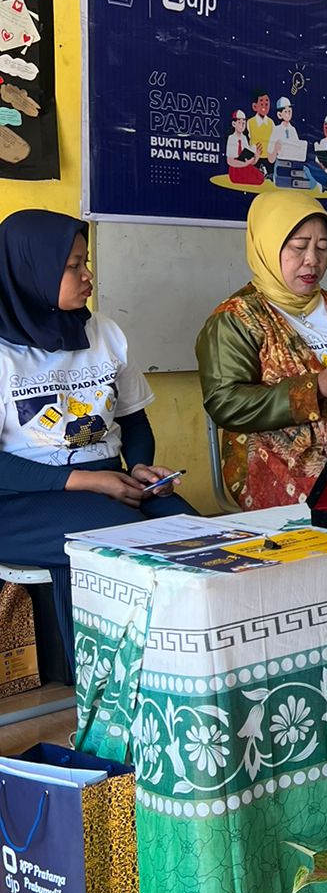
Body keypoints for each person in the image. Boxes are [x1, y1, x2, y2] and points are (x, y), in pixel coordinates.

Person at [0, 211, 194, 677]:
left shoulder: (103, 332)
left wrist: (141, 467)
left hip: (108, 481)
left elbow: (134, 421)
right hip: (19, 498)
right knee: (123, 539)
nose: (87, 276)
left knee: (195, 535)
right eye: (72, 266)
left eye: (85, 262)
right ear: (30, 270)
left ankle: (188, 671)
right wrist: (87, 481)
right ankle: (112, 685)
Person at [196, 194, 327, 509]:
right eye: (299, 246)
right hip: (281, 460)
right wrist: (316, 387)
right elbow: (226, 403)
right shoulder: (236, 318)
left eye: (323, 247)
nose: (312, 260)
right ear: (268, 246)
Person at [226, 109, 266, 185]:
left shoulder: (244, 138)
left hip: (245, 167)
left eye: (243, 123)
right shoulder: (231, 138)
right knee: (258, 181)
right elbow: (230, 161)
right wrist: (245, 164)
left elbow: (250, 161)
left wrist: (256, 156)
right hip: (235, 170)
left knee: (260, 178)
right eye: (239, 123)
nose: (242, 125)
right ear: (234, 124)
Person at [246, 90, 274, 161]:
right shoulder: (250, 122)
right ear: (255, 106)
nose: (264, 106)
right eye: (261, 104)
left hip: (269, 158)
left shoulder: (271, 122)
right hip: (254, 158)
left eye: (267, 104)